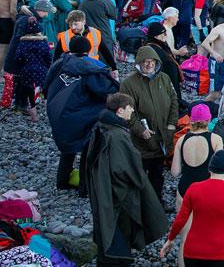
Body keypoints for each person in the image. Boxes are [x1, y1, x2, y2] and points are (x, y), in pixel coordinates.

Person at [86, 92, 168, 266]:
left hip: (104, 190)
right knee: (119, 230)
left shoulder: (102, 127)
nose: (132, 111)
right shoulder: (117, 134)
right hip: (117, 193)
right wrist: (139, 180)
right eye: (130, 108)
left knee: (107, 230)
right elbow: (126, 168)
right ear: (120, 111)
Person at [44, 34, 119, 194]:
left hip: (59, 112)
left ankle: (62, 182)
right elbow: (106, 90)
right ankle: (85, 188)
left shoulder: (59, 64)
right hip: (83, 115)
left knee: (68, 149)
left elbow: (46, 85)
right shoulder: (92, 68)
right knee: (87, 149)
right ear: (89, 49)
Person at [160, 149, 224, 267]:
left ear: (210, 168)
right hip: (219, 253)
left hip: (192, 251)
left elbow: (181, 219)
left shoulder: (194, 188)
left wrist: (170, 239)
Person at [119, 46, 178, 201]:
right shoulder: (129, 84)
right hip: (142, 141)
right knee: (139, 175)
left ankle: (157, 202)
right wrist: (140, 130)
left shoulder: (164, 79)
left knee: (158, 173)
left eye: (151, 61)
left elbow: (174, 101)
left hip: (162, 136)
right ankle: (140, 205)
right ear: (139, 63)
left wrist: (172, 124)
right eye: (145, 62)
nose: (149, 64)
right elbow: (127, 112)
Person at [170, 104, 224, 267]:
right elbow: (220, 172)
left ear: (191, 120)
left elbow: (174, 172)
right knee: (209, 236)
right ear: (208, 120)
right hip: (206, 191)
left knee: (185, 238)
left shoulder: (181, 139)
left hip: (185, 189)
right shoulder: (216, 139)